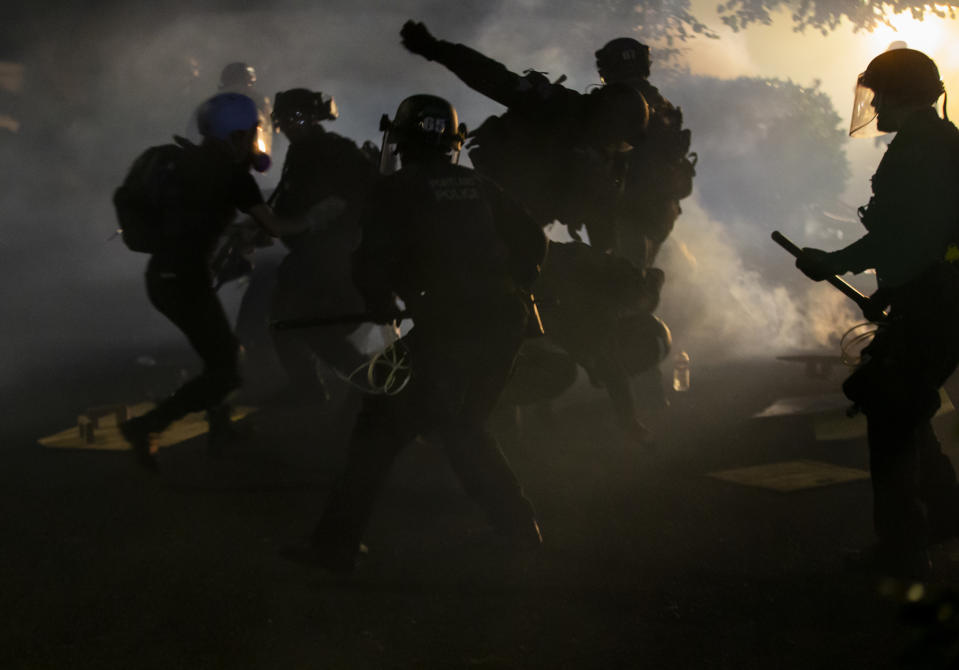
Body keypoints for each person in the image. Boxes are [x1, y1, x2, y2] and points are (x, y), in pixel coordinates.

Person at [289, 94, 547, 572]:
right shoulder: (478, 184)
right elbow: (534, 240)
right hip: (505, 322)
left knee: (378, 429)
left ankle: (335, 545)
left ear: (402, 141)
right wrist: (507, 285)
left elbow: (372, 263)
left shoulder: (398, 189)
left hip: (449, 326)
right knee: (463, 425)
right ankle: (518, 530)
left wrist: (381, 304)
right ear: (452, 142)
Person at [795, 48, 959, 579]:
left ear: (899, 94)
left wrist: (833, 262)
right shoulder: (931, 142)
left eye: (878, 92)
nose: (872, 104)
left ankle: (902, 550)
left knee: (891, 414)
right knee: (901, 405)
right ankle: (944, 516)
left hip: (937, 301)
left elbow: (904, 234)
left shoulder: (923, 150)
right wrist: (889, 291)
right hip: (933, 295)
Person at [117, 92, 306, 472]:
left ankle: (219, 431)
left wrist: (236, 230)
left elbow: (192, 218)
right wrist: (317, 219)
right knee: (226, 368)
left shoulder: (186, 161)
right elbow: (276, 228)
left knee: (221, 353)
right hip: (184, 281)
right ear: (236, 135)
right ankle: (148, 426)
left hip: (166, 277)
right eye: (252, 132)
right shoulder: (234, 177)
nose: (255, 140)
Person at [399, 20, 648, 252]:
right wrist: (435, 49)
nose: (611, 147)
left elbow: (603, 229)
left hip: (523, 226)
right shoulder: (555, 106)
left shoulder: (605, 168)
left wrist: (608, 272)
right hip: (491, 192)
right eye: (613, 138)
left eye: (621, 145)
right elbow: (493, 78)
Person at [257, 87, 380, 398]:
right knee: (285, 321)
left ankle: (370, 379)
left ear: (313, 118)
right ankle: (309, 385)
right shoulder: (302, 151)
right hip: (311, 253)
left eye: (296, 117)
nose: (289, 125)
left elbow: (360, 194)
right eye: (283, 119)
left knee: (310, 326)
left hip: (333, 254)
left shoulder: (333, 150)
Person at [594, 38, 695, 269]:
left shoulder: (619, 100)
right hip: (660, 208)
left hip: (629, 206)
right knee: (634, 273)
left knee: (620, 279)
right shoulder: (662, 104)